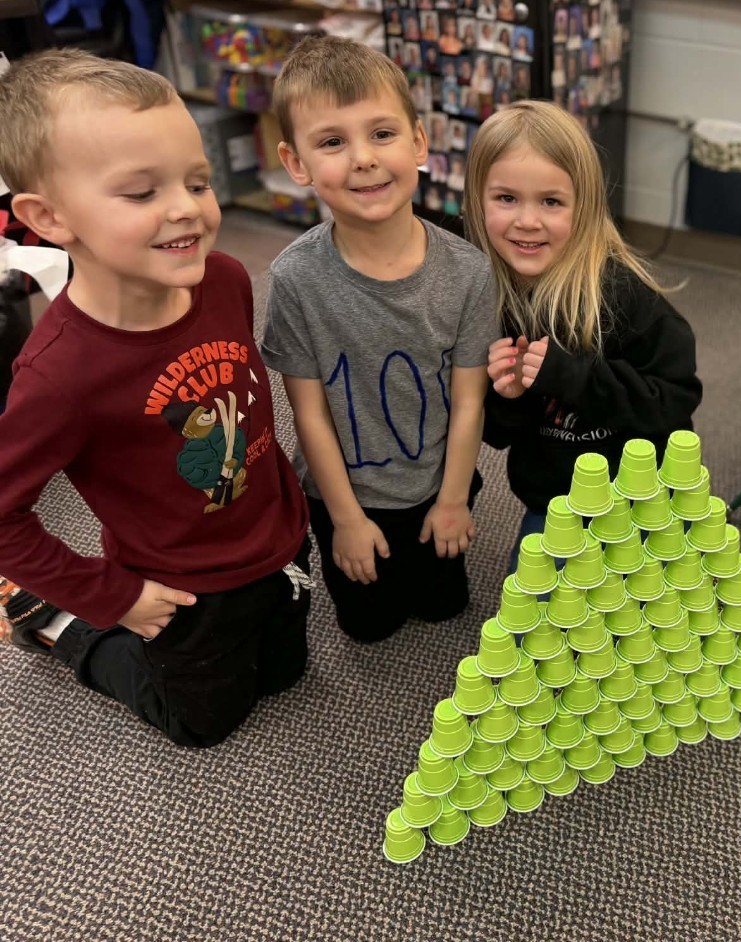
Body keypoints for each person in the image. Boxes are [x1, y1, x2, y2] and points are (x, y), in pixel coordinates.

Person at [0, 50, 312, 748]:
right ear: (48, 216)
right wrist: (113, 600)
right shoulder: (59, 377)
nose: (187, 210)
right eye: (141, 194)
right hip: (176, 591)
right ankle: (59, 628)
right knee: (201, 723)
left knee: (284, 673)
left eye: (197, 182)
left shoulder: (226, 278)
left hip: (278, 540)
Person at [262, 37, 498, 643]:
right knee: (370, 630)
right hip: (346, 498)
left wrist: (452, 502)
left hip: (437, 489)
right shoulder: (295, 277)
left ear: (420, 142)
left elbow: (470, 400)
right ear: (297, 164)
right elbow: (307, 412)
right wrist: (343, 518)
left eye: (383, 134)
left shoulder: (469, 271)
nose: (363, 158)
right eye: (333, 142)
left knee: (445, 610)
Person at [462, 101, 702, 568]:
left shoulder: (623, 295)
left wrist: (571, 377)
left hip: (638, 503)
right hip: (556, 501)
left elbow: (674, 399)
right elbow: (496, 433)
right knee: (537, 625)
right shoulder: (491, 295)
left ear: (585, 205)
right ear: (476, 200)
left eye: (551, 201)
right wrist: (511, 397)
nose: (527, 221)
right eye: (506, 198)